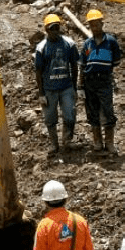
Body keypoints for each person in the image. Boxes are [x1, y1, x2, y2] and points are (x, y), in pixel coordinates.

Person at [80, 9, 125, 154]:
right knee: (92, 111)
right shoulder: (87, 44)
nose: (94, 27)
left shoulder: (111, 41)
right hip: (90, 82)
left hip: (104, 80)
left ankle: (109, 143)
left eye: (97, 24)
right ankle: (97, 142)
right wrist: (80, 86)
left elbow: (116, 61)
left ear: (102, 23)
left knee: (107, 110)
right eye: (91, 25)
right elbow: (82, 66)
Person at [34, 13, 81, 152]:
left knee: (70, 114)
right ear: (46, 30)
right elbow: (38, 71)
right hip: (49, 89)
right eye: (51, 28)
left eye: (57, 27)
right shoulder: (41, 47)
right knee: (50, 118)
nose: (55, 31)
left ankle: (67, 141)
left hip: (66, 87)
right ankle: (54, 144)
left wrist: (74, 87)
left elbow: (74, 66)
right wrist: (41, 93)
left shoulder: (69, 44)